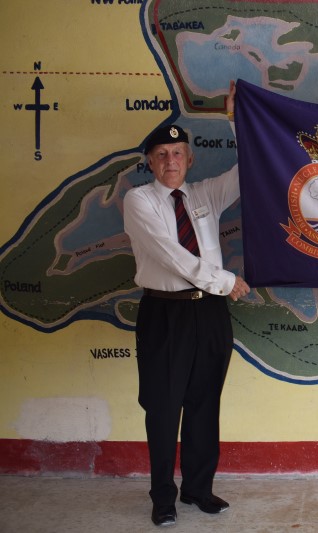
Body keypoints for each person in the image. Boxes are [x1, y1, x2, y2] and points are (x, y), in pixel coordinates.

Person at [123, 81, 250, 527]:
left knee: (203, 403)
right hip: (166, 314)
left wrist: (237, 119)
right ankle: (163, 497)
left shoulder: (204, 195)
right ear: (150, 163)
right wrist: (226, 280)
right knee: (162, 407)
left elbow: (251, 168)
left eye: (177, 155)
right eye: (160, 155)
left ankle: (198, 489)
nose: (170, 161)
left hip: (209, 315)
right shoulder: (138, 201)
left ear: (189, 159)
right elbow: (171, 257)